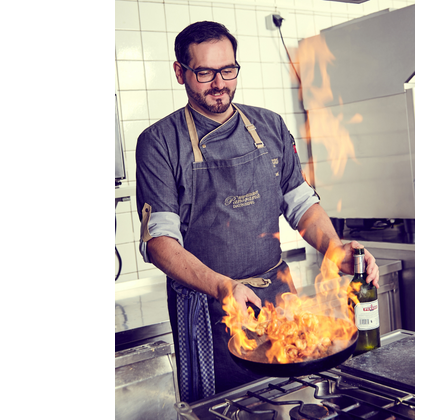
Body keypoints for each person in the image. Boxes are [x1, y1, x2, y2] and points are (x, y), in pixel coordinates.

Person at [136, 21, 379, 403]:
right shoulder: (159, 142)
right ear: (180, 72)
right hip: (210, 308)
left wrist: (334, 247)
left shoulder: (269, 125)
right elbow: (159, 243)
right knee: (223, 407)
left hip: (279, 301)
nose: (220, 83)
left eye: (228, 69)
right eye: (205, 73)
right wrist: (223, 287)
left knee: (292, 401)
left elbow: (302, 204)